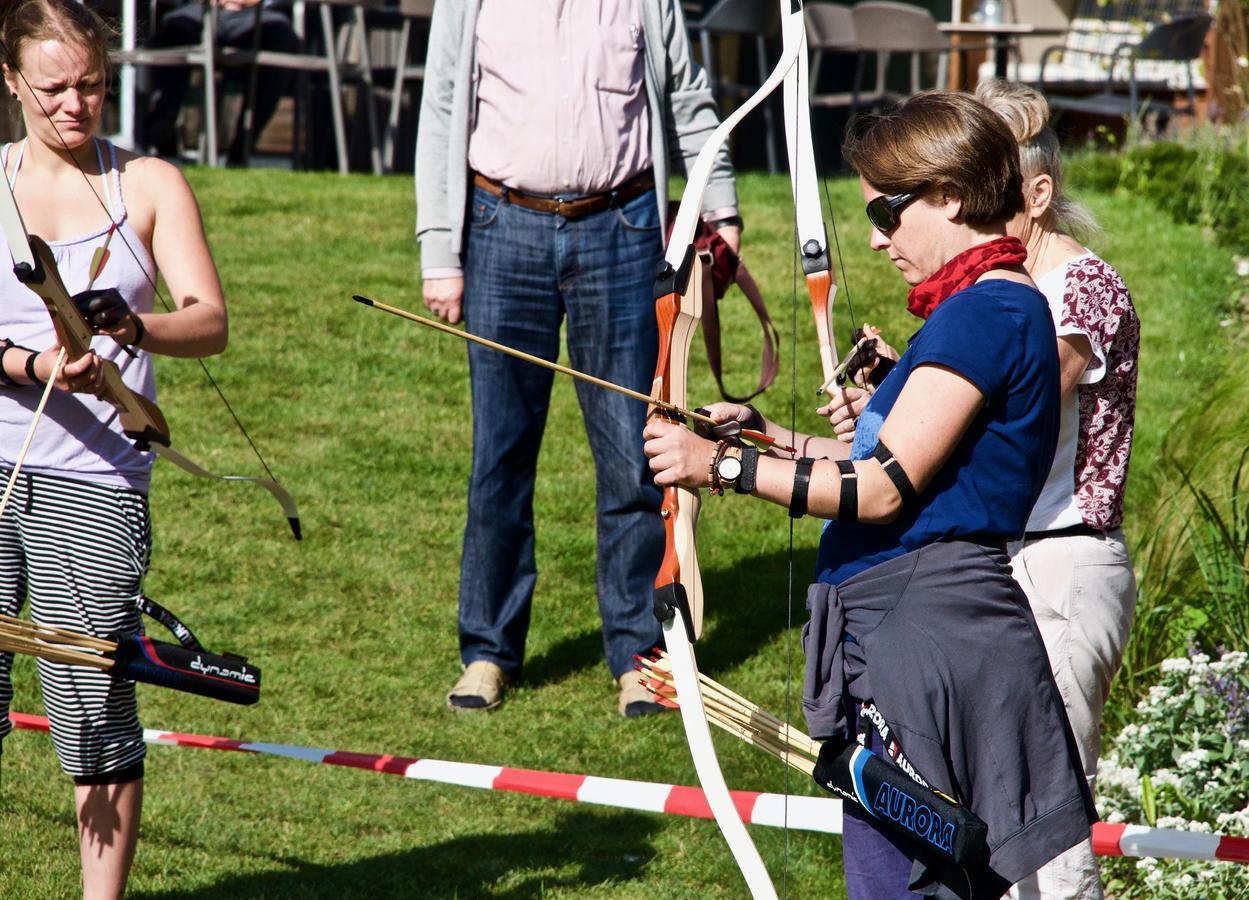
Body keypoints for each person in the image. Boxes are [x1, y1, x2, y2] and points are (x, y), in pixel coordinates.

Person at [644, 91, 1096, 898]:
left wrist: (718, 469)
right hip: (919, 629)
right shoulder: (980, 308)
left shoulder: (989, 310)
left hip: (929, 635)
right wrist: (761, 440)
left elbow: (880, 490)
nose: (877, 237)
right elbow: (904, 466)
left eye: (889, 211)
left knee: (908, 887)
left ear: (950, 195)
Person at [415, 0, 741, 716]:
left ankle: (638, 655)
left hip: (622, 231)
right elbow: (440, 105)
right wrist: (440, 250)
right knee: (500, 456)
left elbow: (688, 95)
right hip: (500, 227)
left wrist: (720, 209)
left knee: (633, 452)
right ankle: (486, 652)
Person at [0, 1, 229, 895]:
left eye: (91, 84)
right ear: (11, 80)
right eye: (53, 86)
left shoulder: (150, 184)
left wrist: (135, 331)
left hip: (93, 482)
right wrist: (28, 361)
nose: (74, 104)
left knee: (92, 706)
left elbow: (208, 323)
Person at [973, 78, 1140, 900]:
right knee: (995, 820)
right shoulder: (1000, 289)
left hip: (1062, 566)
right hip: (1010, 564)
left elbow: (1023, 406)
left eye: (980, 191)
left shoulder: (1077, 288)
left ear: (1035, 195)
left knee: (1050, 834)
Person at [144, 0, 298, 164]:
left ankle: (244, 143)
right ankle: (163, 126)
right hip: (198, 10)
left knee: (281, 38)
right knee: (176, 28)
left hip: (259, 14)